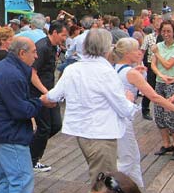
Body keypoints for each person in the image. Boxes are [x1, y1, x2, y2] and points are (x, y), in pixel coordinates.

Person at [42, 29, 138, 182]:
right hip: (101, 134)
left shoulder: (73, 69)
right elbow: (123, 108)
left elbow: (54, 95)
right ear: (106, 48)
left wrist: (43, 98)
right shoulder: (105, 72)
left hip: (83, 132)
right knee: (104, 183)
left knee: (100, 177)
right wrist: (129, 99)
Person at [0, 37, 50, 193]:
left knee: (7, 180)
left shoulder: (6, 67)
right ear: (22, 53)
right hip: (8, 134)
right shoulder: (12, 74)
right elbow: (20, 110)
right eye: (34, 52)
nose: (36, 56)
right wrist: (40, 102)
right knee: (22, 180)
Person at [111, 37, 174, 187]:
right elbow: (154, 97)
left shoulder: (115, 68)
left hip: (115, 118)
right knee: (128, 159)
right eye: (136, 50)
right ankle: (106, 187)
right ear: (128, 53)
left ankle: (135, 188)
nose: (140, 52)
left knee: (132, 157)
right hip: (121, 121)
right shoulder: (131, 73)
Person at [26, 21, 68, 173]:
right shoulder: (42, 47)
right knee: (44, 127)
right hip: (39, 93)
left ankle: (31, 149)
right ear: (54, 33)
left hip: (50, 91)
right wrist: (45, 92)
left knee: (56, 125)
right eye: (63, 35)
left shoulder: (54, 47)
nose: (65, 38)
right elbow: (32, 72)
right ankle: (32, 159)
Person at [150, 20, 174, 160]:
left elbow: (168, 65)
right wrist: (160, 74)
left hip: (173, 84)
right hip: (160, 83)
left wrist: (157, 54)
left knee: (171, 115)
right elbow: (153, 65)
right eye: (163, 31)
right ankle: (166, 143)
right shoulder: (159, 45)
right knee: (158, 115)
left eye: (168, 31)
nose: (166, 34)